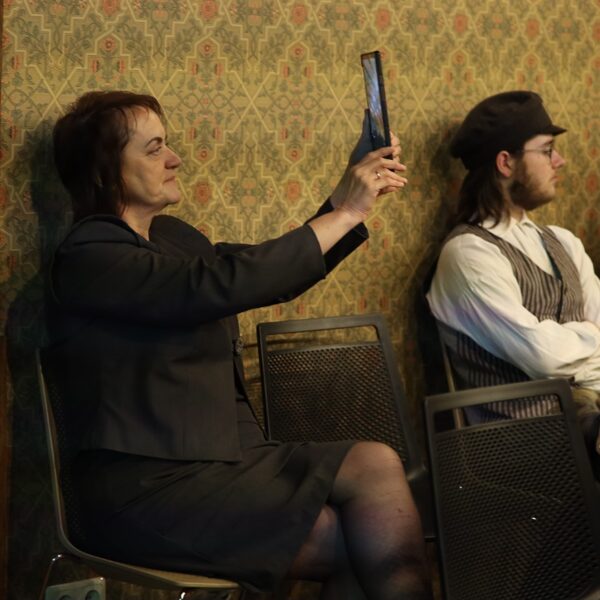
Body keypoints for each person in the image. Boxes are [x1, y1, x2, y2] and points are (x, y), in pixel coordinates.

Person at [45, 90, 432, 600]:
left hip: (233, 461)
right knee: (354, 540)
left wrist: (348, 197)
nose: (175, 158)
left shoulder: (176, 238)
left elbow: (266, 273)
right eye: (154, 148)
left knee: (375, 462)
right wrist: (345, 211)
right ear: (103, 172)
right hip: (145, 488)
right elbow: (219, 284)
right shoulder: (89, 254)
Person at [427, 90, 600, 476]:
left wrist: (574, 347)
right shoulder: (469, 255)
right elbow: (543, 357)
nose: (560, 161)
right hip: (521, 447)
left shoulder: (564, 242)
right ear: (506, 162)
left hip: (585, 430)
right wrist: (591, 333)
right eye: (547, 150)